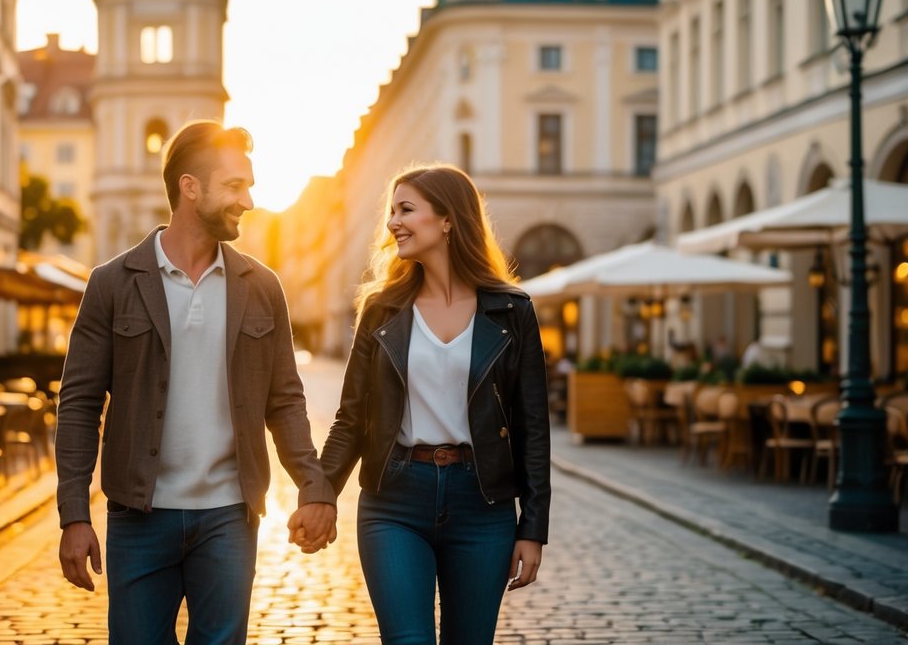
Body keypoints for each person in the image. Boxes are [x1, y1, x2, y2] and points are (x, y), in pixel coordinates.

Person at [54, 120, 336, 645]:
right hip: (139, 518)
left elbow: (286, 400)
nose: (248, 201)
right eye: (235, 185)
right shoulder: (112, 284)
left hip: (229, 517)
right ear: (190, 187)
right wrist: (74, 513)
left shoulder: (262, 287)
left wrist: (313, 486)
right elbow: (78, 404)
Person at [320, 163, 551, 645]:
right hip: (394, 500)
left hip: (482, 505)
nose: (392, 223)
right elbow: (351, 416)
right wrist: (321, 494)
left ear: (447, 220)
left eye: (406, 209)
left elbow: (533, 427)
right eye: (391, 211)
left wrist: (532, 528)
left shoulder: (512, 311)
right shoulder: (382, 309)